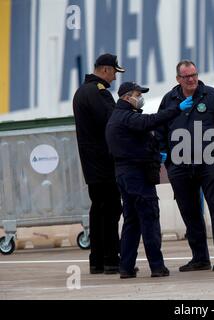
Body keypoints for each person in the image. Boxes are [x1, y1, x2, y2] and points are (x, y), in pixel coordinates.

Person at [156, 60, 214, 272]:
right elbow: (160, 129)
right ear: (178, 79)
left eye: (194, 75)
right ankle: (200, 258)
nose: (191, 79)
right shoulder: (169, 100)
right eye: (186, 76)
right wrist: (167, 157)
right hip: (180, 165)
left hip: (210, 162)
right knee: (189, 212)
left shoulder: (212, 96)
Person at [105, 82, 182, 279]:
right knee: (149, 220)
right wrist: (176, 109)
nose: (140, 98)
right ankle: (157, 266)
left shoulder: (116, 117)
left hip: (124, 175)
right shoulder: (127, 117)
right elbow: (150, 122)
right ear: (126, 97)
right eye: (138, 94)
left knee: (132, 222)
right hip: (137, 176)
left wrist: (156, 154)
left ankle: (126, 267)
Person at [73, 53, 125, 274]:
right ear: (105, 69)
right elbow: (112, 121)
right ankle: (111, 258)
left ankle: (97, 260)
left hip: (92, 164)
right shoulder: (98, 92)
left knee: (98, 210)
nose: (114, 78)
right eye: (114, 72)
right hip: (104, 163)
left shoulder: (82, 92)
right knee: (111, 209)